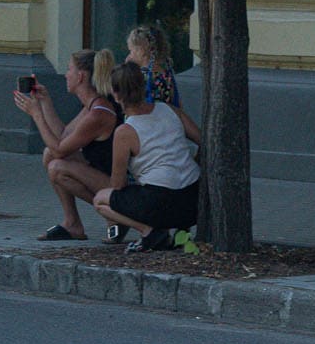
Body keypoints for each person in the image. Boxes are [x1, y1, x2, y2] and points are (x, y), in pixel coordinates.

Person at [93, 60, 202, 253]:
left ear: (116, 94)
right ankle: (180, 232)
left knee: (100, 200)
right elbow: (203, 140)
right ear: (143, 86)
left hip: (160, 202)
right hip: (194, 201)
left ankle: (149, 232)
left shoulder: (125, 131)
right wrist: (194, 163)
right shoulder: (169, 110)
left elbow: (117, 185)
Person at [14, 49, 121, 241]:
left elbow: (60, 150)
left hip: (121, 186)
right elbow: (62, 137)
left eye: (69, 69)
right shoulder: (93, 104)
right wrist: (45, 102)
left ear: (80, 76)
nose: (66, 75)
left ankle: (116, 215)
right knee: (49, 155)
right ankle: (72, 223)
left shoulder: (99, 112)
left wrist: (36, 115)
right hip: (104, 175)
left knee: (57, 167)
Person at [127, 23, 181, 108]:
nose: (129, 55)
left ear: (141, 50)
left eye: (131, 50)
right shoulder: (166, 74)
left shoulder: (142, 76)